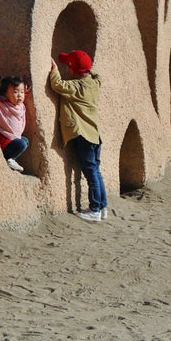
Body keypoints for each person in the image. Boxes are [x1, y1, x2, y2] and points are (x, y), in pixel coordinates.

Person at [48, 49, 106, 222]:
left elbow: (57, 85)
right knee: (96, 171)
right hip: (95, 136)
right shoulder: (95, 83)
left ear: (73, 70)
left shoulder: (77, 88)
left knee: (90, 173)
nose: (66, 68)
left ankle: (95, 209)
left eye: (67, 66)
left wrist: (54, 69)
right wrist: (87, 69)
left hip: (84, 137)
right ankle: (102, 207)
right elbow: (97, 76)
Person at [0, 75, 30, 171]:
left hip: (13, 139)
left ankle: (11, 158)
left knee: (25, 140)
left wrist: (25, 92)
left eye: (22, 92)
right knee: (21, 144)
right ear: (5, 94)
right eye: (15, 92)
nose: (19, 95)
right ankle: (6, 158)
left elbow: (22, 96)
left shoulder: (20, 106)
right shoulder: (1, 106)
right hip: (4, 141)